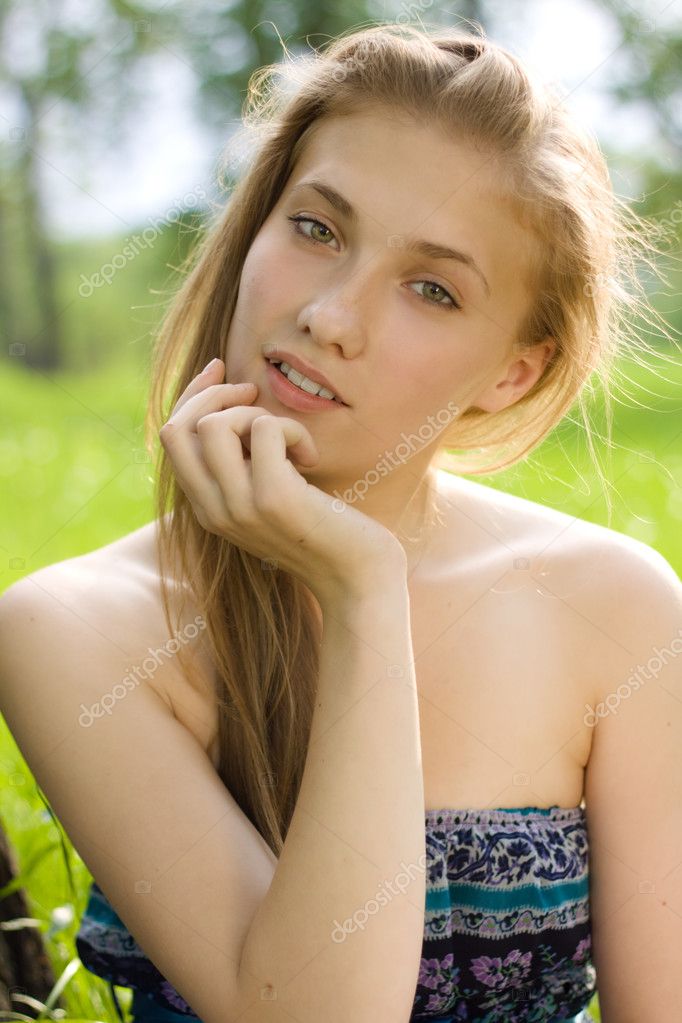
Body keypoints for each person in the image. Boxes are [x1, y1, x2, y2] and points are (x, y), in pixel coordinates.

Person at [1, 20, 680, 1023]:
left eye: (431, 289)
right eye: (315, 228)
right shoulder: (76, 630)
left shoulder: (614, 610)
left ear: (512, 371)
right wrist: (364, 592)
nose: (331, 314)